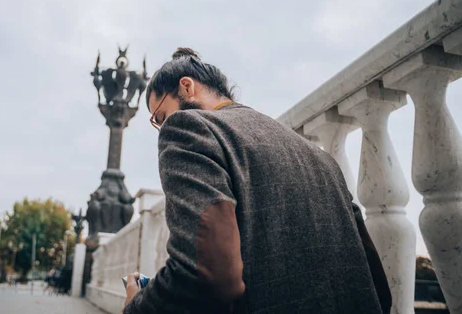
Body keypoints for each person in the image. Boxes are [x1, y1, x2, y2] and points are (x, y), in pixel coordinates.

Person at [123, 48, 391, 314]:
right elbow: (378, 286)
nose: (163, 127)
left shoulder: (187, 128)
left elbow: (206, 274)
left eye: (160, 116)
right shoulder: (320, 159)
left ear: (186, 87)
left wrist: (137, 307)